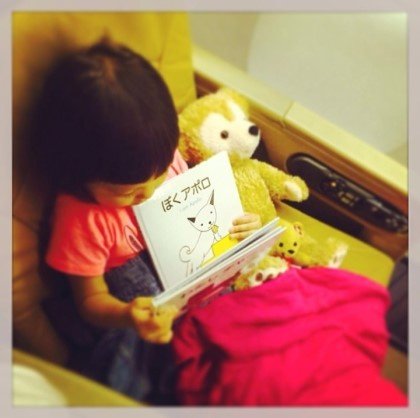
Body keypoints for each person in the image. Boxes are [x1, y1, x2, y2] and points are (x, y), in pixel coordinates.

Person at [34, 38, 261, 403]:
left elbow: (211, 224)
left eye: (160, 173)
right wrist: (129, 316)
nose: (151, 191)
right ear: (78, 176)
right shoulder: (81, 217)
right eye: (130, 191)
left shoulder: (159, 157)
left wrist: (241, 226)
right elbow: (90, 301)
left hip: (207, 288)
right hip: (145, 322)